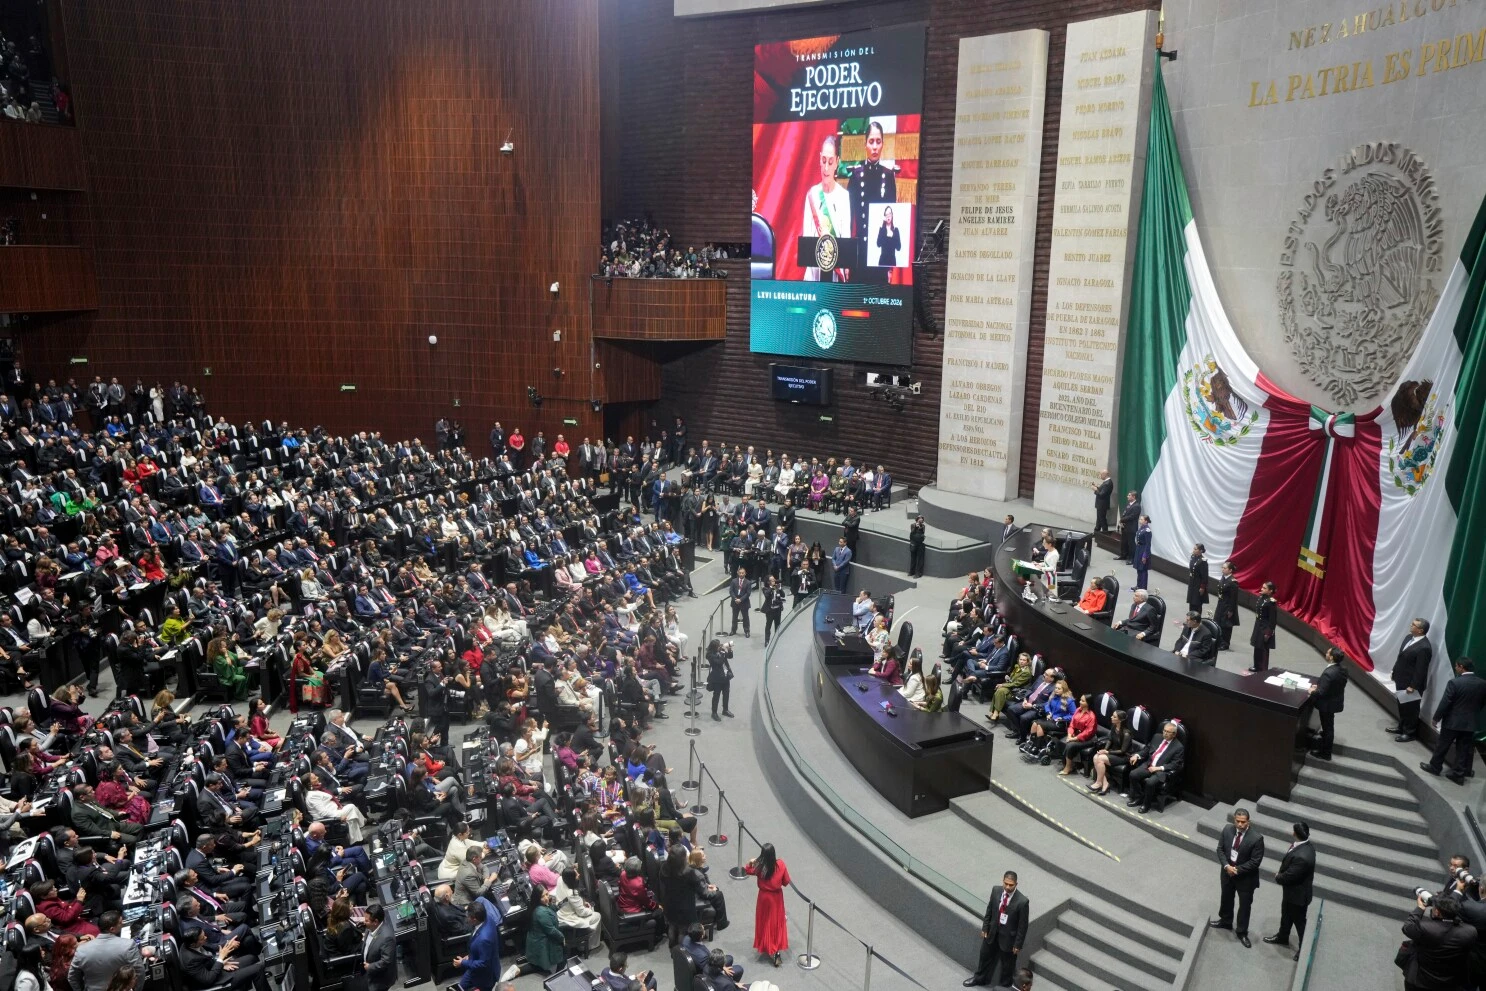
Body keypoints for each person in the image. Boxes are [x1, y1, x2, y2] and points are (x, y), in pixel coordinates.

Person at [1421, 656, 1486, 784]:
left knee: (1442, 746)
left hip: (1452, 722)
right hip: (1470, 723)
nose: (1455, 668)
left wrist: (1436, 718)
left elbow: (1446, 702)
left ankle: (1435, 767)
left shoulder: (1455, 683)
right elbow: (1482, 703)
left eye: (1456, 666)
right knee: (1463, 749)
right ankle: (1458, 774)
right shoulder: (1483, 684)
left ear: (1461, 667)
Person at [1209, 808, 1265, 947]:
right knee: (1226, 898)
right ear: (1234, 820)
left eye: (1243, 822)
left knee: (1244, 906)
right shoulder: (1227, 829)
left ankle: (1242, 932)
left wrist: (1237, 870)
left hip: (1245, 878)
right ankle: (1226, 921)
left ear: (1248, 822)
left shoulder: (1257, 838)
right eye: (1238, 821)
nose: (1240, 825)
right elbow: (1220, 849)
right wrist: (1227, 866)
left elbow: (1255, 861)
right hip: (1227, 873)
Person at [1401, 891, 1476, 991]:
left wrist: (1420, 908)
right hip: (1450, 983)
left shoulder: (1424, 927)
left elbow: (1407, 928)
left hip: (1420, 981)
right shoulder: (1470, 932)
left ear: (1437, 912)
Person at [965, 871, 1027, 987]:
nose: (1008, 887)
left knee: (1007, 966)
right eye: (1006, 884)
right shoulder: (996, 890)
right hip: (992, 933)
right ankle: (979, 979)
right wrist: (985, 927)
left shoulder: (1022, 902)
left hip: (1009, 938)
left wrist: (1018, 944)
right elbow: (989, 910)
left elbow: (1023, 926)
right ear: (1002, 881)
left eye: (1011, 885)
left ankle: (1003, 987)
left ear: (1016, 884)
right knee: (984, 957)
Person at [801, 135, 850, 282]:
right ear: (819, 159)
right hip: (814, 273)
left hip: (835, 272)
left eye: (831, 162)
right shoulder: (812, 195)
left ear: (837, 162)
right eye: (824, 161)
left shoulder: (844, 196)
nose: (826, 168)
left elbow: (845, 239)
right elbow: (806, 240)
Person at [1263, 822, 1314, 960]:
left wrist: (1278, 877)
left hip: (1298, 897)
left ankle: (1303, 948)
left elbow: (1290, 876)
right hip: (1292, 893)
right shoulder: (1307, 846)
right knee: (1286, 915)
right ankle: (1282, 936)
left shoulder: (1302, 856)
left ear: (1295, 833)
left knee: (1299, 923)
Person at [67, 911, 151, 991]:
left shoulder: (81, 950)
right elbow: (140, 971)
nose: (123, 924)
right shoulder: (128, 945)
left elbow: (72, 977)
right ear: (112, 929)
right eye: (120, 922)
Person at [743, 843, 790, 966]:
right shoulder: (781, 864)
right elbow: (786, 882)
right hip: (776, 898)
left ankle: (767, 945)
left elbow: (747, 870)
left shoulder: (759, 867)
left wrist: (751, 862)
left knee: (764, 921)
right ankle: (775, 950)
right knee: (775, 923)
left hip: (763, 898)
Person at [1125, 720, 1184, 814]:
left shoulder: (1178, 747)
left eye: (1168, 732)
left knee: (1150, 782)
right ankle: (1140, 797)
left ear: (1174, 734)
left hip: (1161, 771)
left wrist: (1159, 768)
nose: (1165, 733)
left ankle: (1146, 804)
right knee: (1133, 774)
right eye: (1164, 730)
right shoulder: (1157, 737)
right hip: (1149, 764)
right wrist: (1137, 755)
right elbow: (1147, 749)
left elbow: (1175, 764)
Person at [1390, 617, 1434, 741]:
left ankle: (1409, 733)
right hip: (1401, 679)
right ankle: (1402, 727)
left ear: (1420, 630)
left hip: (1411, 684)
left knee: (1411, 709)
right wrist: (1394, 670)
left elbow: (1421, 670)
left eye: (1413, 625)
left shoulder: (1425, 647)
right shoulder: (1408, 638)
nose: (1411, 625)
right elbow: (1401, 657)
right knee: (1402, 706)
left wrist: (1413, 686)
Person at [1299, 647, 1347, 761]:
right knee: (1328, 725)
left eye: (1327, 652)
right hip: (1335, 702)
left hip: (1327, 705)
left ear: (1331, 657)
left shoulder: (1329, 673)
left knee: (1328, 727)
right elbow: (1335, 685)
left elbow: (1321, 693)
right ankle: (1325, 737)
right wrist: (1321, 685)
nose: (1325, 653)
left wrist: (1313, 690)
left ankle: (1325, 753)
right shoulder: (1343, 669)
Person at [362, 904, 397, 991]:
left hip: (380, 980)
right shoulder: (370, 927)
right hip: (368, 974)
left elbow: (386, 961)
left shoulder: (387, 938)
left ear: (375, 922)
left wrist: (370, 967)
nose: (364, 922)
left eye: (366, 921)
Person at [1249, 581, 1277, 674]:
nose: (1262, 589)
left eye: (1264, 588)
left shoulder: (1271, 602)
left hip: (1265, 628)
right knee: (1257, 646)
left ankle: (1263, 670)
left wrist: (1268, 633)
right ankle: (1256, 665)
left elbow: (1273, 620)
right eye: (1262, 587)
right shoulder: (1261, 598)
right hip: (1258, 625)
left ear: (1270, 591)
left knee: (1264, 650)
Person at [1213, 562, 1239, 649]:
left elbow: (1233, 598)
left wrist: (1231, 610)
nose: (1222, 569)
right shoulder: (1223, 578)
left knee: (1226, 625)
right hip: (1221, 604)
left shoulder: (1233, 582)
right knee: (1218, 621)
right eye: (1222, 568)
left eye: (1225, 568)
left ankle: (1225, 643)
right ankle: (1219, 640)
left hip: (1227, 606)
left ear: (1230, 570)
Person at [706, 639, 734, 721]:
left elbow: (730, 656)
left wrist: (729, 649)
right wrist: (722, 653)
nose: (720, 647)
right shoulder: (710, 655)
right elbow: (719, 662)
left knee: (726, 693)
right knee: (716, 695)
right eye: (718, 646)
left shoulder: (721, 651)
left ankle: (725, 710)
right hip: (717, 678)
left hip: (725, 676)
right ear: (714, 647)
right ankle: (714, 713)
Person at [759, 576, 784, 647]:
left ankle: (776, 639)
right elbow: (766, 595)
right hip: (770, 610)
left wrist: (779, 588)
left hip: (778, 609)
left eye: (774, 579)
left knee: (777, 625)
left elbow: (783, 595)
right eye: (772, 580)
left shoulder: (777, 587)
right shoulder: (765, 588)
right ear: (768, 582)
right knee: (768, 625)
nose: (774, 581)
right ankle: (767, 640)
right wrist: (771, 588)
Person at [728, 568, 752, 638]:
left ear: (745, 573)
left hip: (744, 602)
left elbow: (748, 593)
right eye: (740, 573)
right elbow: (731, 591)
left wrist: (740, 599)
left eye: (743, 573)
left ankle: (747, 631)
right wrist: (735, 598)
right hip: (735, 601)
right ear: (738, 573)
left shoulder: (748, 582)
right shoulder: (733, 581)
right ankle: (733, 630)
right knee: (734, 617)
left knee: (745, 618)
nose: (741, 574)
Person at [1186, 543, 1209, 613]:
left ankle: (1197, 620)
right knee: (1191, 601)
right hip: (1192, 583)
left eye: (1195, 549)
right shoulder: (1193, 557)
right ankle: (1190, 618)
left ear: (1200, 551)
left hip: (1198, 584)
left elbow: (1205, 576)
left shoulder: (1203, 561)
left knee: (1197, 603)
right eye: (1194, 548)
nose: (1193, 550)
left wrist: (1202, 587)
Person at [1117, 491, 1140, 560]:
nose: (1127, 496)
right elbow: (1125, 513)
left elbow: (1132, 516)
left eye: (1129, 495)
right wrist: (1122, 520)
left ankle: (1131, 558)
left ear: (1133, 497)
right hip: (1125, 527)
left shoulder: (1137, 506)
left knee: (1131, 544)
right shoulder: (1129, 504)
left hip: (1131, 528)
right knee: (1124, 542)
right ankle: (1123, 555)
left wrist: (1122, 520)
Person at [1133, 515, 1152, 590]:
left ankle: (1143, 587)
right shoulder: (1141, 528)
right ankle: (1138, 585)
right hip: (1139, 549)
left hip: (1144, 550)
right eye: (1139, 519)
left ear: (1146, 521)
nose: (1139, 520)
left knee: (1143, 569)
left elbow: (1148, 544)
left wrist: (1145, 555)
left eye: (1141, 519)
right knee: (1139, 568)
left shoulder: (1147, 530)